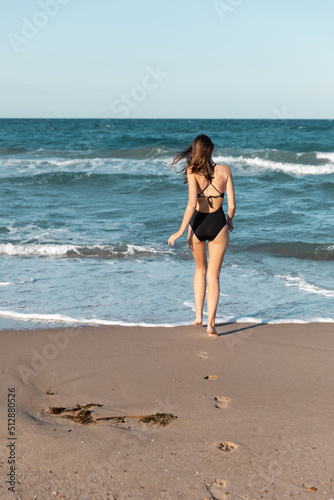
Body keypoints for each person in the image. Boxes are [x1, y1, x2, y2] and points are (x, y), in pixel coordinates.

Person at [168, 134, 236, 336]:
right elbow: (232, 205)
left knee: (200, 270)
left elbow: (191, 205)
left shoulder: (192, 171)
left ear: (195, 152)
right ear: (212, 149)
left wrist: (180, 231)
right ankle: (211, 325)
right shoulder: (225, 170)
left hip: (197, 225)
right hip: (218, 224)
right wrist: (229, 220)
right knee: (214, 276)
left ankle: (198, 315)